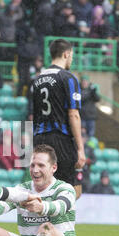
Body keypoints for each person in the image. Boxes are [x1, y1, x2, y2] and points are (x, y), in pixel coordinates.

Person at [31, 38, 86, 200]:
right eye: (72, 56)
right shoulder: (68, 78)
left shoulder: (37, 80)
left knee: (47, 187)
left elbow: (34, 114)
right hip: (60, 138)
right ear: (66, 54)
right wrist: (80, 148)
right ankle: (58, 224)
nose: (72, 59)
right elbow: (73, 114)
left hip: (40, 139)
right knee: (71, 189)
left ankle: (46, 222)